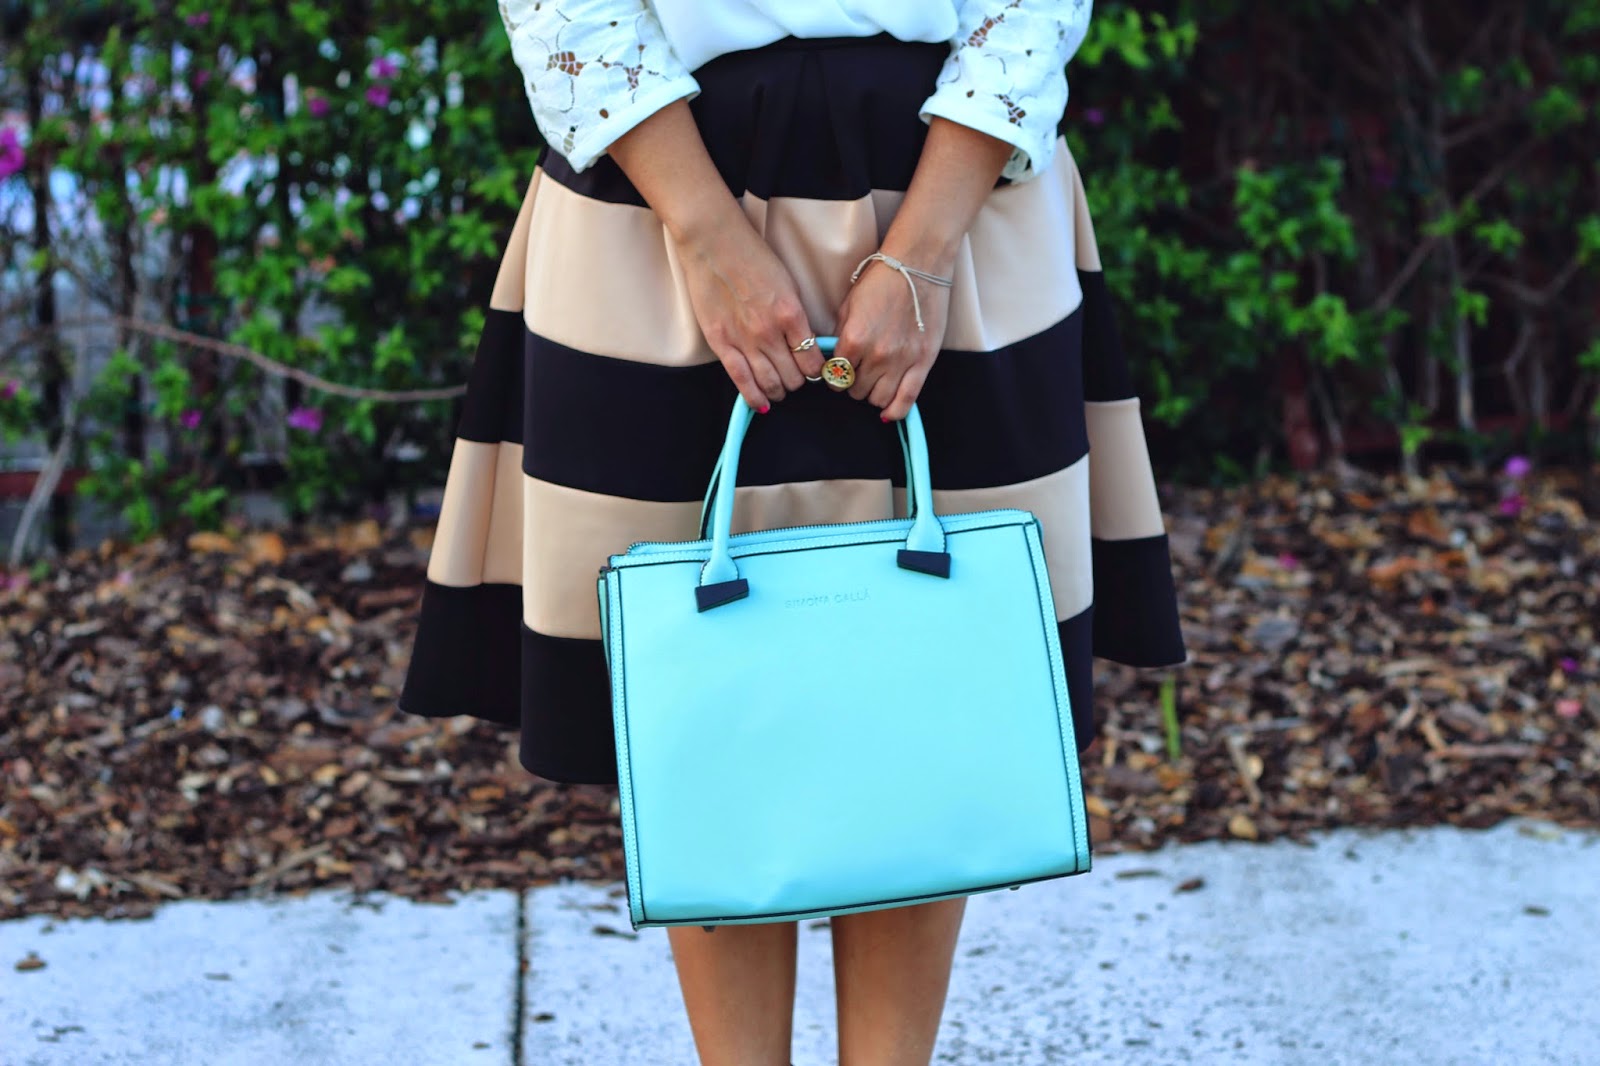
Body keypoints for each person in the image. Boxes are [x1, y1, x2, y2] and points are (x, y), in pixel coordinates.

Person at [399, 2, 1186, 1063]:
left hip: (951, 183)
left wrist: (923, 250)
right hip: (663, 189)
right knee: (701, 685)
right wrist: (706, 232)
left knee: (938, 674)